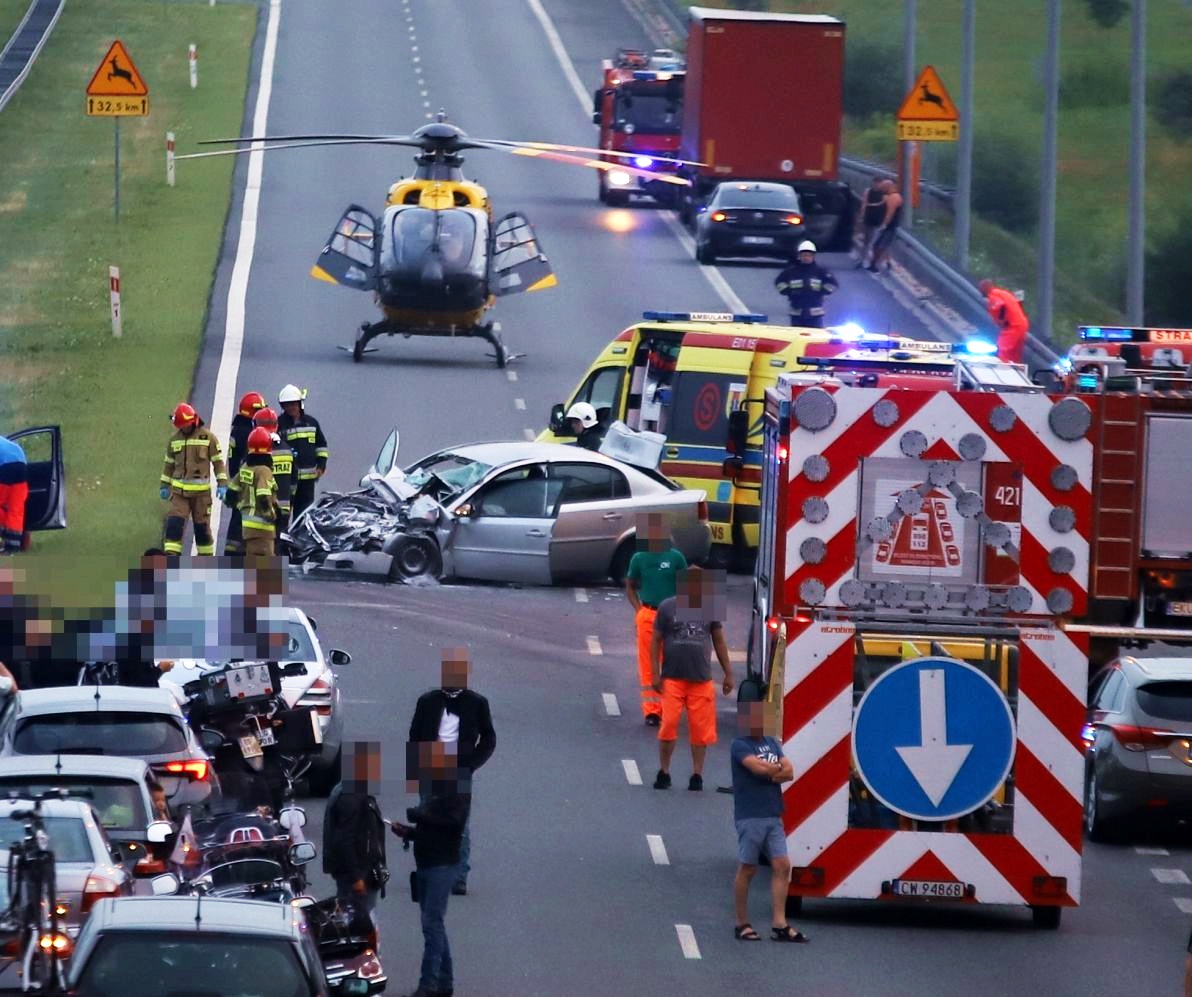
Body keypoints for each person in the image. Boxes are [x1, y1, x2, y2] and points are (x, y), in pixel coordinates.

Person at [409, 647, 495, 895]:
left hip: (459, 769)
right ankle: (427, 872)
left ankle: (458, 876)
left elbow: (489, 739)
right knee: (426, 820)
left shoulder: (477, 703)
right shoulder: (427, 701)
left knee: (460, 826)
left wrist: (471, 764)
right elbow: (415, 735)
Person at [391, 739, 470, 997]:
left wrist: (420, 817)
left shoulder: (456, 792)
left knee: (431, 924)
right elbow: (433, 829)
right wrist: (409, 832)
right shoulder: (434, 793)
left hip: (441, 865)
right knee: (435, 924)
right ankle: (444, 982)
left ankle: (428, 984)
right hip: (427, 862)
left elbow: (453, 824)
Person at [650, 566, 734, 791]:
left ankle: (697, 774)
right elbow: (655, 640)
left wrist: (728, 672)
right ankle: (664, 771)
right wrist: (655, 674)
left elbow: (719, 640)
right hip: (673, 679)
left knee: (700, 730)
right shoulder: (667, 607)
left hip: (701, 680)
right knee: (668, 725)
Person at [731, 699, 806, 943]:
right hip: (750, 814)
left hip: (773, 814)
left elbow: (790, 771)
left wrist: (769, 769)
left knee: (783, 865)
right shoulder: (739, 744)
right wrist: (774, 770)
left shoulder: (771, 742)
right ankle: (742, 923)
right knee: (748, 868)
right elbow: (758, 770)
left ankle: (779, 924)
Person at [625, 513, 687, 727]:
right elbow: (630, 585)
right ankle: (652, 711)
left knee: (670, 662)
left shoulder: (676, 558)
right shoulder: (639, 558)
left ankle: (669, 706)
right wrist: (639, 609)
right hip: (648, 615)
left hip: (672, 616)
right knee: (648, 664)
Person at [323, 740, 387, 916]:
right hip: (357, 874)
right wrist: (356, 877)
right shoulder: (351, 797)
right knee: (359, 922)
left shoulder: (353, 792)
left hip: (361, 871)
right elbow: (344, 839)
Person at [160, 403, 228, 556]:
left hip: (201, 496)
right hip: (179, 494)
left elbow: (218, 463)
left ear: (192, 421)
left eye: (184, 425)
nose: (182, 428)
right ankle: (171, 561)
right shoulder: (174, 440)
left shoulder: (208, 438)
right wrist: (164, 485)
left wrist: (222, 484)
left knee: (202, 530)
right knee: (174, 526)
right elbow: (168, 465)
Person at [222, 391, 268, 555]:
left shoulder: (238, 430)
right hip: (247, 483)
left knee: (237, 520)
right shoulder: (248, 433)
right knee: (246, 520)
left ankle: (231, 553)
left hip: (238, 480)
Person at [277, 384, 329, 521]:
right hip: (286, 480)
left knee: (303, 516)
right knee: (282, 515)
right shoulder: (278, 425)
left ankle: (298, 542)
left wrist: (321, 466)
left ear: (300, 404)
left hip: (307, 481)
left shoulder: (312, 423)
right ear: (282, 406)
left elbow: (321, 446)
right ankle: (281, 540)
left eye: (293, 404)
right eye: (287, 405)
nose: (291, 407)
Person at [252, 407, 294, 553]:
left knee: (262, 548)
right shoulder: (287, 450)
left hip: (262, 509)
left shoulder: (256, 450)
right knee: (280, 546)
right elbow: (294, 482)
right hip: (284, 509)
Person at [236, 427, 279, 557]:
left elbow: (231, 493)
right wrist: (272, 515)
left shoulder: (245, 468)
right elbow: (263, 495)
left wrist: (240, 506)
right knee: (265, 569)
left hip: (247, 527)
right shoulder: (264, 471)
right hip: (263, 528)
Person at [774, 241, 838, 328]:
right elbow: (779, 282)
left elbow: (833, 284)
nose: (806, 258)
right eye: (804, 255)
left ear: (813, 256)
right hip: (797, 312)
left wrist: (821, 292)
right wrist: (789, 292)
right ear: (799, 256)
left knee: (815, 336)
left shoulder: (821, 271)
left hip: (815, 313)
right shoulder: (791, 271)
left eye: (809, 255)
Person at [979, 279, 1030, 364]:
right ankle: (1016, 371)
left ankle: (1003, 369)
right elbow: (1018, 299)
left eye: (981, 289)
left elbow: (1000, 304)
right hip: (1022, 324)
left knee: (1002, 348)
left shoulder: (993, 295)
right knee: (1014, 353)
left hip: (1012, 326)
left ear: (985, 288)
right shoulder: (1003, 293)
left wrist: (1002, 320)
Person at [0, 435, 28, 555]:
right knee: (15, 508)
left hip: (5, 468)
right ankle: (12, 547)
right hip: (21, 467)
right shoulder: (5, 442)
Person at [868, 179, 903, 272]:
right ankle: (873, 264)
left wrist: (884, 225)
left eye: (883, 187)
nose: (882, 190)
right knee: (876, 245)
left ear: (888, 187)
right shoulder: (888, 196)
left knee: (881, 246)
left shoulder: (894, 197)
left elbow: (889, 213)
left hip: (889, 227)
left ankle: (875, 265)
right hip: (885, 226)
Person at [856, 175, 887, 268]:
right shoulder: (868, 191)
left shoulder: (883, 194)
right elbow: (864, 204)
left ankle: (874, 262)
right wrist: (861, 216)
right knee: (866, 241)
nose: (877, 184)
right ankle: (862, 260)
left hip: (878, 221)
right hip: (868, 219)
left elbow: (885, 207)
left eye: (879, 183)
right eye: (876, 182)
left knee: (873, 242)